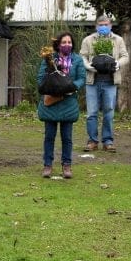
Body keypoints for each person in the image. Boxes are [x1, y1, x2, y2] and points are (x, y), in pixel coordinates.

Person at [37, 31, 87, 179]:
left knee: (67, 138)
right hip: (51, 102)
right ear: (58, 44)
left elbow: (81, 78)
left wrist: (70, 87)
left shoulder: (77, 60)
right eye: (64, 42)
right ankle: (47, 165)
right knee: (49, 136)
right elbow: (41, 77)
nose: (67, 45)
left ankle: (66, 165)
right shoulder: (49, 59)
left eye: (69, 42)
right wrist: (52, 87)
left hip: (68, 102)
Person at [79, 14, 129, 152]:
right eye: (100, 25)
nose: (103, 27)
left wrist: (118, 63)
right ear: (96, 26)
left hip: (110, 82)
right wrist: (87, 65)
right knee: (92, 113)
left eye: (106, 24)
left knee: (109, 112)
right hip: (92, 81)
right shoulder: (88, 40)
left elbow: (125, 56)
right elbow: (82, 55)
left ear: (110, 25)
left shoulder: (118, 40)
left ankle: (108, 141)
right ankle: (92, 141)